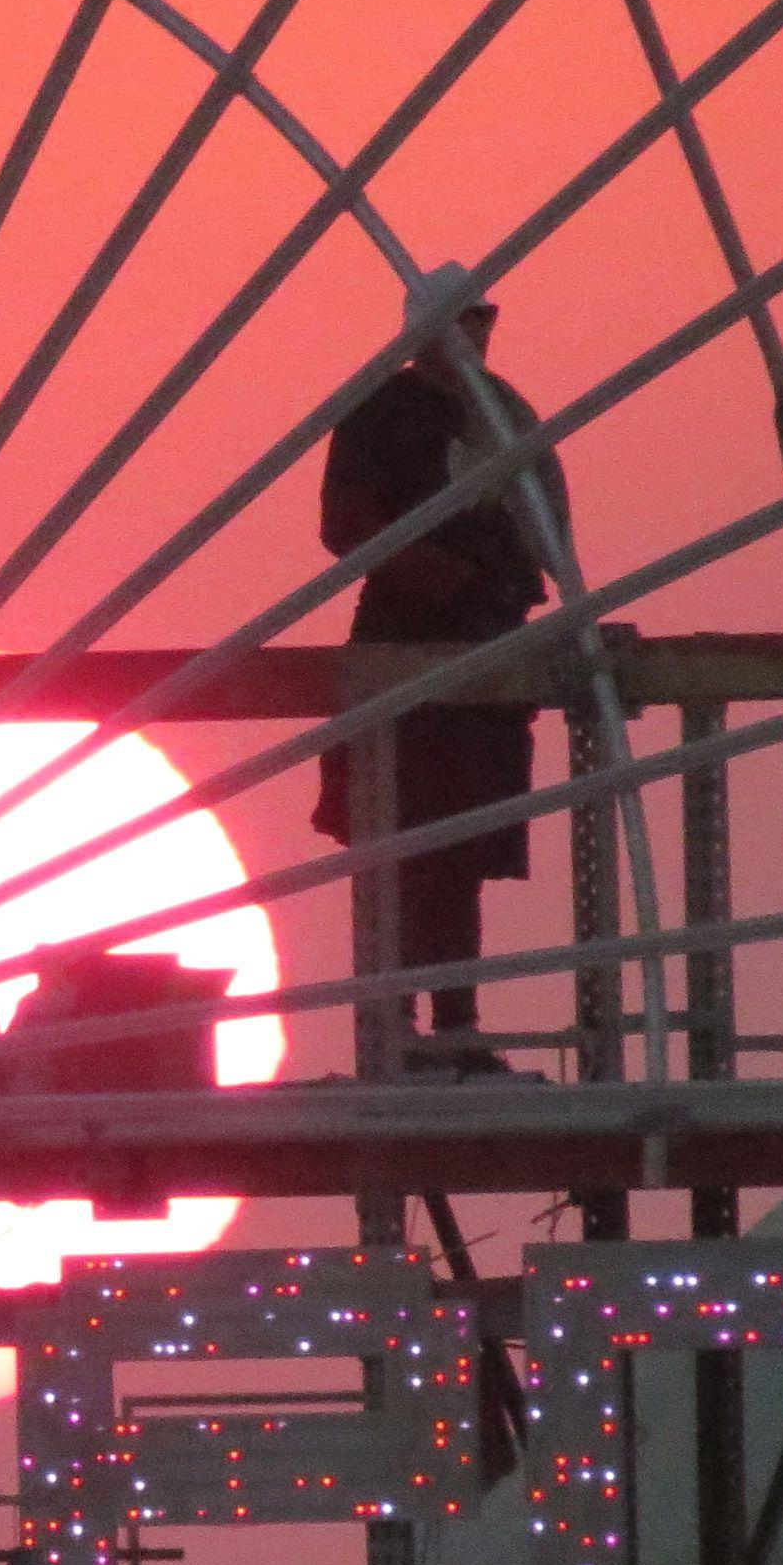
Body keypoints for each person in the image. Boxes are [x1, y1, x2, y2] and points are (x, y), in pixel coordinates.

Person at [311, 269, 559, 1074]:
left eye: (483, 318)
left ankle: (452, 1025)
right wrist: (437, 575)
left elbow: (545, 516)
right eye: (463, 319)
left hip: (486, 655)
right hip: (404, 651)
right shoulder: (382, 411)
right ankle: (403, 1027)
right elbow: (346, 526)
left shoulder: (501, 410)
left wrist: (512, 587)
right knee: (403, 843)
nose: (476, 333)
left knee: (462, 850)